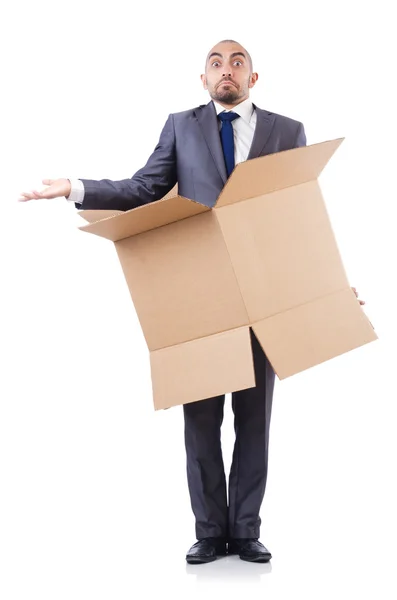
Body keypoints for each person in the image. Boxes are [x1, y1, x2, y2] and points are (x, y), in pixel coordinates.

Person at [19, 39, 365, 565]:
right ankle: (209, 531)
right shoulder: (181, 125)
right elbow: (143, 189)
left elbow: (300, 216)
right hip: (199, 296)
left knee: (254, 419)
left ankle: (245, 532)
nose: (227, 70)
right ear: (202, 79)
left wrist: (325, 286)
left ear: (254, 78)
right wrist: (75, 187)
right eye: (216, 62)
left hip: (263, 296)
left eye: (238, 62)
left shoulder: (287, 131)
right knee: (200, 421)